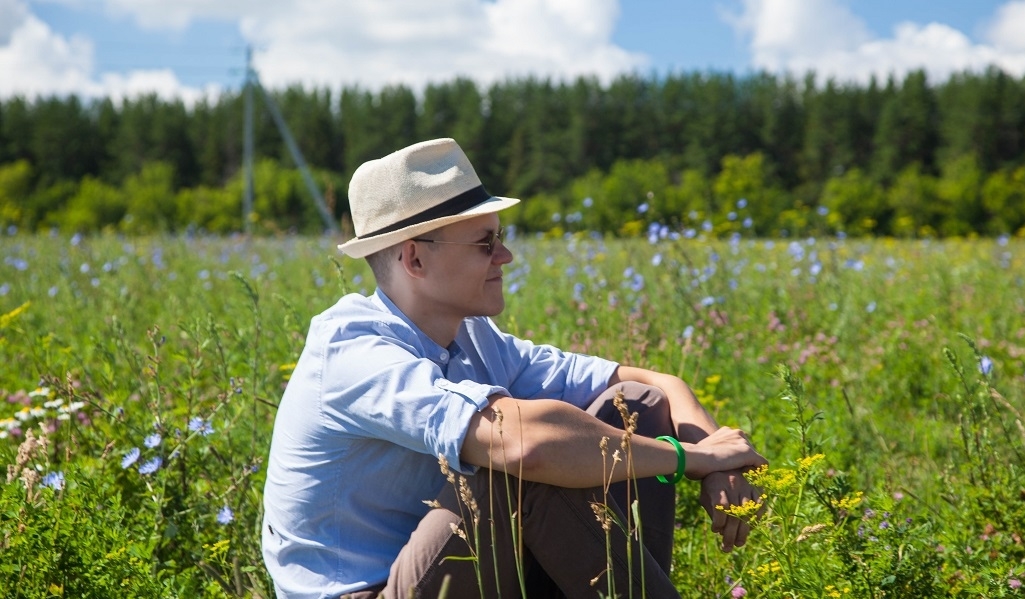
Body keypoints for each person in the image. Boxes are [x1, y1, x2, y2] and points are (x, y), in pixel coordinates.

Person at [262, 138, 767, 599]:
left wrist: (713, 454)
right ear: (414, 259)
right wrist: (688, 460)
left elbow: (654, 385)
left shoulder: (470, 334)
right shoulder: (351, 349)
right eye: (485, 243)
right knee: (520, 468)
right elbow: (526, 445)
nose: (505, 255)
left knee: (634, 407)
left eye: (499, 237)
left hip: (453, 572)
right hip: (368, 592)